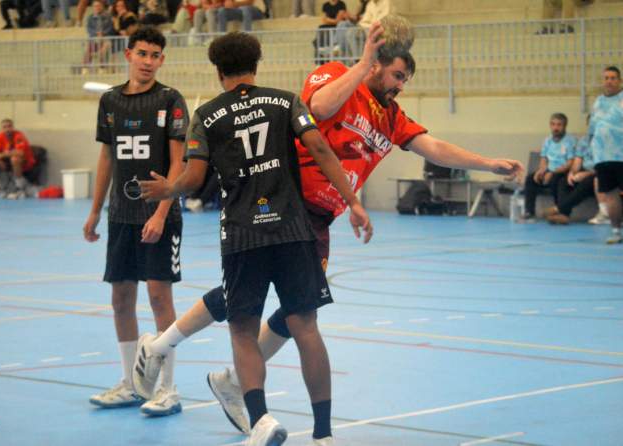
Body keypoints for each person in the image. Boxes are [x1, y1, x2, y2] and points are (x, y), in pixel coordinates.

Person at [130, 16, 524, 443]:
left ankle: (223, 375)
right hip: (287, 200)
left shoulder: (392, 118)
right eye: (397, 75)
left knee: (296, 310)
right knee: (249, 300)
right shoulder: (337, 73)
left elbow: (434, 148)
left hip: (320, 218)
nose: (400, 86)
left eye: (406, 80)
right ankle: (168, 349)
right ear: (377, 65)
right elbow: (319, 107)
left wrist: (488, 164)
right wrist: (363, 63)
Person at [136, 30, 371, 446]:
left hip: (242, 235)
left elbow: (193, 177)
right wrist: (353, 201)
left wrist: (168, 189)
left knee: (243, 331)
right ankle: (323, 435)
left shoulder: (207, 115)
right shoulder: (286, 101)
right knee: (306, 328)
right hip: (293, 230)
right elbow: (320, 149)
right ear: (256, 64)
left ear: (218, 71)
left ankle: (261, 420)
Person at [82, 26, 189, 416]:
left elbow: (178, 163)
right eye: (142, 53)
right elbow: (107, 157)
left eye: (155, 55)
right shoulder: (110, 101)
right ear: (128, 54)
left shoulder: (170, 99)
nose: (147, 61)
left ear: (162, 60)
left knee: (160, 298)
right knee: (121, 300)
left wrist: (161, 213)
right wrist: (95, 210)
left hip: (160, 215)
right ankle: (130, 383)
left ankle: (168, 389)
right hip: (122, 217)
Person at [544, 115, 608, 225]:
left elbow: (607, 166)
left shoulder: (608, 142)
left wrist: (587, 173)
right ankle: (564, 215)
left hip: (601, 173)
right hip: (585, 172)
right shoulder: (584, 141)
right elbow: (577, 161)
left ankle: (559, 208)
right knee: (564, 181)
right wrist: (572, 173)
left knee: (589, 180)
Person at [589, 66, 623, 244]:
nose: (609, 81)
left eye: (613, 78)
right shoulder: (598, 102)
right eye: (606, 78)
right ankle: (616, 231)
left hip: (621, 155)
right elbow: (592, 128)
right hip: (603, 157)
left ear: (619, 81)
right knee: (610, 195)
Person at [521, 112, 577, 221]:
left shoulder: (570, 141)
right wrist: (541, 170)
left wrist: (552, 173)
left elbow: (570, 162)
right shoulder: (547, 140)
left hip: (563, 171)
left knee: (556, 180)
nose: (556, 128)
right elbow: (544, 158)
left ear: (565, 126)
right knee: (530, 179)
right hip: (548, 170)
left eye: (559, 125)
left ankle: (559, 212)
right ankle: (529, 212)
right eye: (553, 124)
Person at [0, 118, 36, 199]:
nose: (7, 129)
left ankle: (20, 190)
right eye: (5, 127)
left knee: (15, 159)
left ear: (13, 127)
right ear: (2, 129)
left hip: (25, 163)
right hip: (9, 163)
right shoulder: (1, 136)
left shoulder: (19, 135)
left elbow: (20, 153)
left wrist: (1, 155)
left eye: (9, 126)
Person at [83, 0, 115, 71]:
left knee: (104, 47)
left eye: (98, 6)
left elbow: (110, 28)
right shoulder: (90, 17)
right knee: (89, 48)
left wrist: (103, 33)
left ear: (102, 7)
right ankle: (85, 68)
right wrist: (96, 33)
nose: (97, 7)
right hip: (95, 38)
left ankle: (102, 68)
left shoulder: (108, 16)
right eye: (95, 6)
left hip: (105, 38)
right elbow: (89, 29)